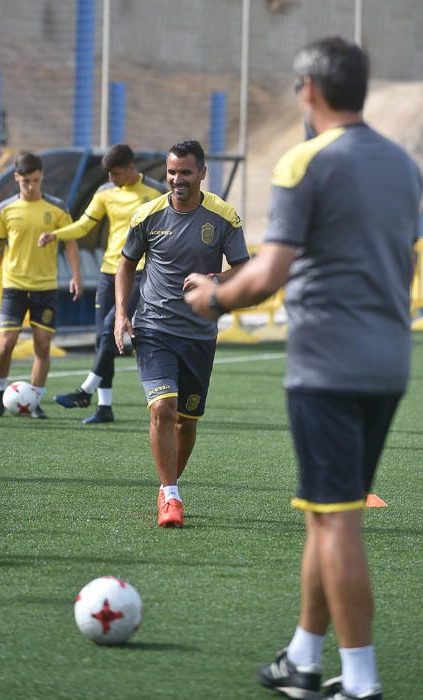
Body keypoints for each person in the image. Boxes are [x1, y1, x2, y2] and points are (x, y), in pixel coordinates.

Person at [185, 37, 421, 700]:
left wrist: (213, 298)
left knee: (337, 517)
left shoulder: (302, 162)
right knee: (326, 512)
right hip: (386, 362)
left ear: (309, 90)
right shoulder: (402, 167)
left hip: (326, 366)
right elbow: (403, 263)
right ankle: (302, 658)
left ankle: (362, 683)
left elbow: (270, 271)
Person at [114, 139, 249, 528]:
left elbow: (243, 268)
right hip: (154, 326)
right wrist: (122, 313)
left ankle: (168, 485)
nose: (177, 180)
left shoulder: (223, 216)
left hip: (200, 334)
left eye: (186, 172)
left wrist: (215, 279)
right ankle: (171, 494)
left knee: (186, 421)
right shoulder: (147, 216)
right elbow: (126, 265)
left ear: (202, 174)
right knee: (163, 408)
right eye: (172, 172)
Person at [40, 144, 167, 424]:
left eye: (116, 173)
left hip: (143, 272)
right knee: (103, 338)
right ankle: (104, 407)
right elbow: (85, 225)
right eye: (108, 173)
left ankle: (85, 390)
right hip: (110, 271)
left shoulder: (156, 193)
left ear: (132, 168)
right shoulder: (105, 193)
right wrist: (56, 234)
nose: (111, 178)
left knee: (113, 326)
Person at [0, 151, 82, 419]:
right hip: (14, 286)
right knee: (6, 343)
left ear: (42, 178)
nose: (31, 186)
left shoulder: (57, 208)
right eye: (26, 181)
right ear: (17, 178)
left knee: (42, 344)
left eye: (36, 180)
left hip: (45, 288)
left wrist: (75, 276)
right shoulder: (5, 208)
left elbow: (71, 243)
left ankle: (35, 399)